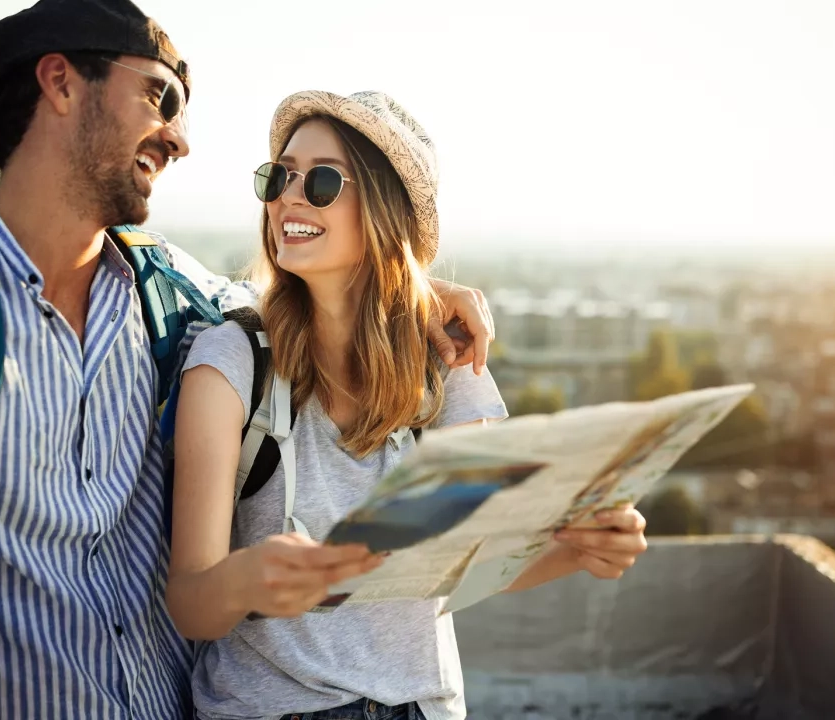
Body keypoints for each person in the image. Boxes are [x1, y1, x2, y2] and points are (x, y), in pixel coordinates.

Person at [0, 2, 497, 718]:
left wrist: (412, 286)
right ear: (61, 84)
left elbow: (311, 296)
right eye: (163, 97)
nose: (181, 140)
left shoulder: (165, 293)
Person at [165, 91, 649, 720]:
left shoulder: (448, 369)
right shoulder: (230, 365)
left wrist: (580, 549)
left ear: (384, 211)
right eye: (278, 176)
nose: (288, 196)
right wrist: (252, 578)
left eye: (320, 180)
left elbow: (461, 564)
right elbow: (190, 601)